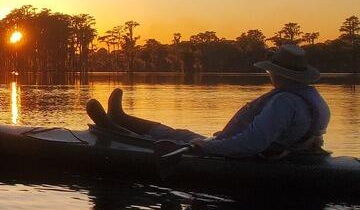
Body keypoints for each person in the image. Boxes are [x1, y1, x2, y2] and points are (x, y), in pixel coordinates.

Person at [87, 44, 330, 159]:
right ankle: (120, 118)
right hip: (281, 153)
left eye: (271, 71)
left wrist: (206, 147)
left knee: (171, 139)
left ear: (280, 73)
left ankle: (114, 127)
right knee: (179, 132)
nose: (271, 75)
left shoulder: (284, 103)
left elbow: (251, 144)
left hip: (254, 159)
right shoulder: (312, 98)